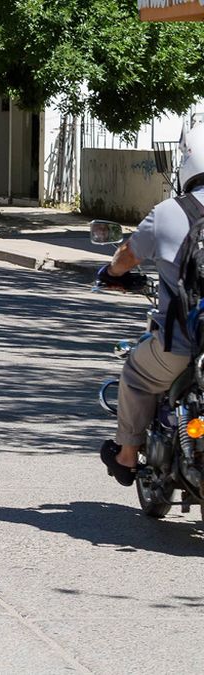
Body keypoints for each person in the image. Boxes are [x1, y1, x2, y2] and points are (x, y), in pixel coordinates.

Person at [96, 125, 204, 485]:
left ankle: (126, 456)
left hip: (184, 345)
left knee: (136, 374)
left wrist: (112, 273)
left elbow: (126, 256)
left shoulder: (171, 212)